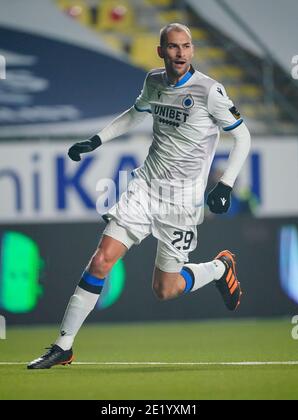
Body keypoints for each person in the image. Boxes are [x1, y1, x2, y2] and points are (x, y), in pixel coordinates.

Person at [28, 23, 251, 369]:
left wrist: (225, 185)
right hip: (145, 189)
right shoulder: (153, 81)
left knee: (165, 289)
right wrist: (97, 140)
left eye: (186, 47)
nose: (181, 53)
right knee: (101, 259)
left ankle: (220, 268)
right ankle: (64, 345)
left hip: (181, 202)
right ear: (161, 51)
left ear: (192, 50)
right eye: (173, 47)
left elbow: (244, 137)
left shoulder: (210, 91)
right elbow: (135, 114)